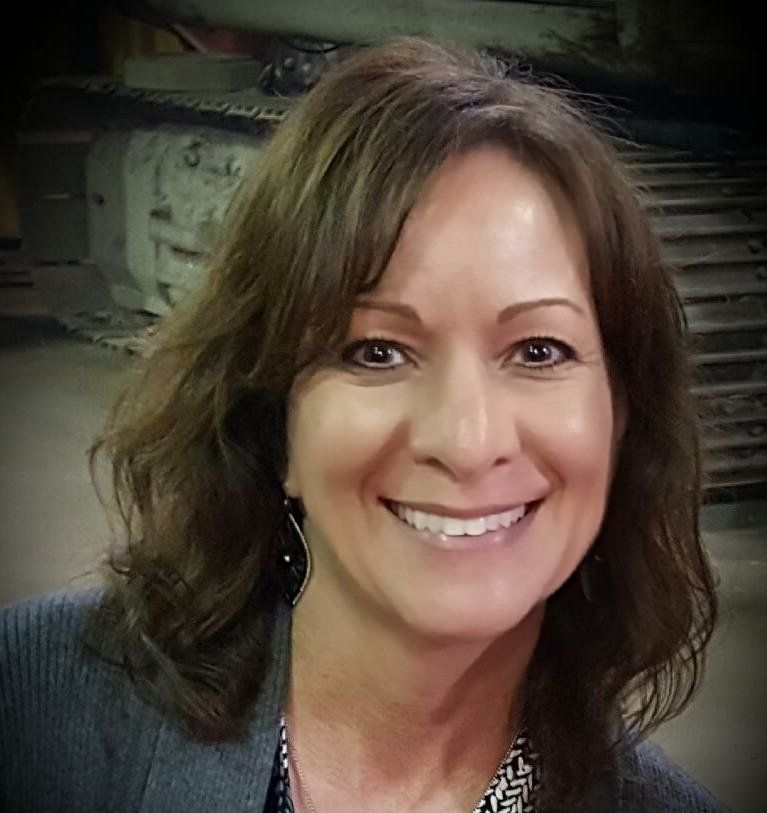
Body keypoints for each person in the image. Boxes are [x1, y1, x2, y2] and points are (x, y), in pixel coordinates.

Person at [1, 38, 724, 812]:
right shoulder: (37, 707)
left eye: (538, 349)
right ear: (275, 419)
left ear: (619, 417)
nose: (467, 440)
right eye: (377, 351)